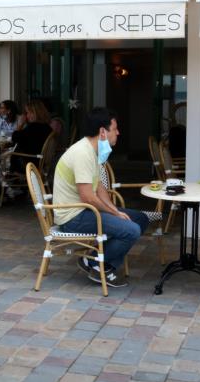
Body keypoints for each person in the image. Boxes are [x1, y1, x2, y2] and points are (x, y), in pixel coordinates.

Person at [52, 108, 149, 288]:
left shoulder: (93, 151)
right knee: (132, 230)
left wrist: (114, 211)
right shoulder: (82, 153)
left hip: (86, 210)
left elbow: (100, 189)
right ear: (102, 131)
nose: (118, 132)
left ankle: (99, 264)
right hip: (73, 217)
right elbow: (88, 197)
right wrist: (115, 214)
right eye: (115, 128)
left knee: (140, 219)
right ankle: (97, 264)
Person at [9, 100, 53, 171]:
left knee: (5, 155)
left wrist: (20, 124)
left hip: (28, 163)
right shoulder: (47, 127)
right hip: (39, 161)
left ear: (35, 113)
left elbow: (15, 137)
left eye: (28, 113)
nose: (27, 116)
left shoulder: (33, 127)